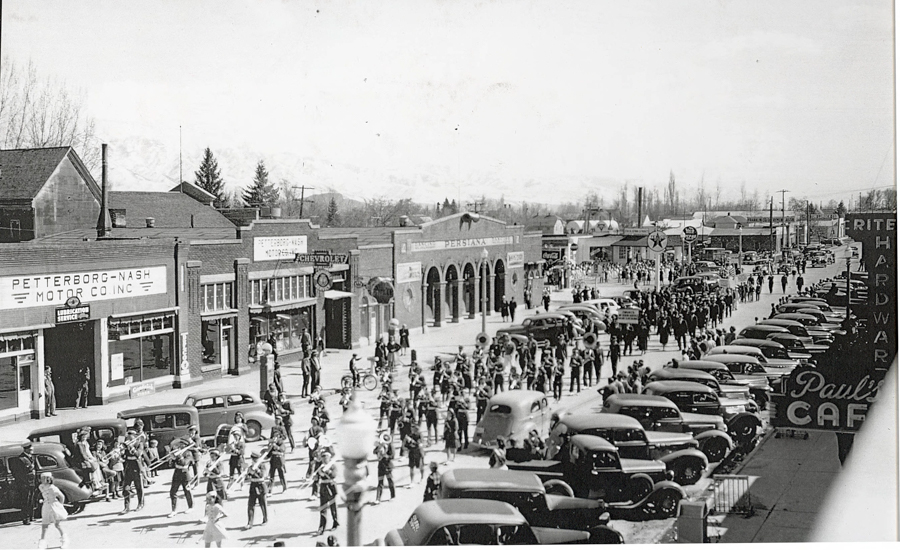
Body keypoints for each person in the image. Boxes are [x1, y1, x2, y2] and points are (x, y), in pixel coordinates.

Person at [38, 473, 68, 549]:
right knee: (44, 525)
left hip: (54, 506)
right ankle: (42, 543)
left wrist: (60, 505)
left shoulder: (53, 488)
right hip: (46, 506)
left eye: (43, 478)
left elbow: (62, 496)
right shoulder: (41, 487)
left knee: (57, 524)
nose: (41, 480)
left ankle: (65, 540)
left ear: (47, 479)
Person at [11, 442, 37, 525]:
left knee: (31, 500)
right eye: (30, 449)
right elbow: (19, 473)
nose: (32, 450)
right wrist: (24, 483)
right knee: (25, 501)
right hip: (25, 484)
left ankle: (31, 516)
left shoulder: (30, 457)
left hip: (31, 482)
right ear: (26, 449)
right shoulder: (21, 459)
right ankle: (26, 518)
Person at [315, 449, 339, 536]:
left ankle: (335, 522)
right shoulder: (320, 467)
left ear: (329, 458)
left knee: (333, 507)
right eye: (323, 458)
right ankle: (321, 528)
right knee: (323, 508)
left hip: (331, 487)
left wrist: (326, 471)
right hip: (323, 488)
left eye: (326, 458)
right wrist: (317, 475)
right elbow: (317, 478)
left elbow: (334, 475)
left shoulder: (333, 466)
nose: (324, 459)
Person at [121, 430, 145, 514]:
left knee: (139, 487)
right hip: (128, 468)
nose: (129, 437)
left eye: (131, 436)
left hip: (137, 467)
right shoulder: (126, 444)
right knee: (126, 488)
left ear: (135, 436)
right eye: (128, 436)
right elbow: (124, 456)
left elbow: (138, 454)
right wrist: (121, 452)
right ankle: (126, 507)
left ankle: (140, 504)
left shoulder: (139, 444)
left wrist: (132, 447)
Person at [168, 446, 194, 517]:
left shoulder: (188, 453)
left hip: (185, 474)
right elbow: (171, 465)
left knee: (187, 491)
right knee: (173, 492)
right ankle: (174, 510)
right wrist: (172, 459)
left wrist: (179, 456)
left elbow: (184, 463)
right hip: (176, 474)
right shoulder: (176, 455)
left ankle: (190, 507)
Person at [245, 451, 269, 528]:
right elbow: (247, 478)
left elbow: (262, 475)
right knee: (250, 505)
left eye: (256, 459)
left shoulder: (262, 466)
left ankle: (265, 519)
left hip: (260, 486)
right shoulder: (250, 467)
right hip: (253, 486)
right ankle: (250, 522)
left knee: (263, 504)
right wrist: (248, 474)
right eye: (253, 459)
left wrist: (256, 471)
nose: (254, 460)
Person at [375, 438, 395, 503]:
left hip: (388, 466)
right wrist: (379, 447)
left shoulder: (390, 445)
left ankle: (393, 496)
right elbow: (374, 451)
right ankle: (378, 499)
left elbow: (392, 455)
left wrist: (386, 456)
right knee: (380, 483)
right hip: (381, 466)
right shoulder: (380, 446)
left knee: (390, 481)